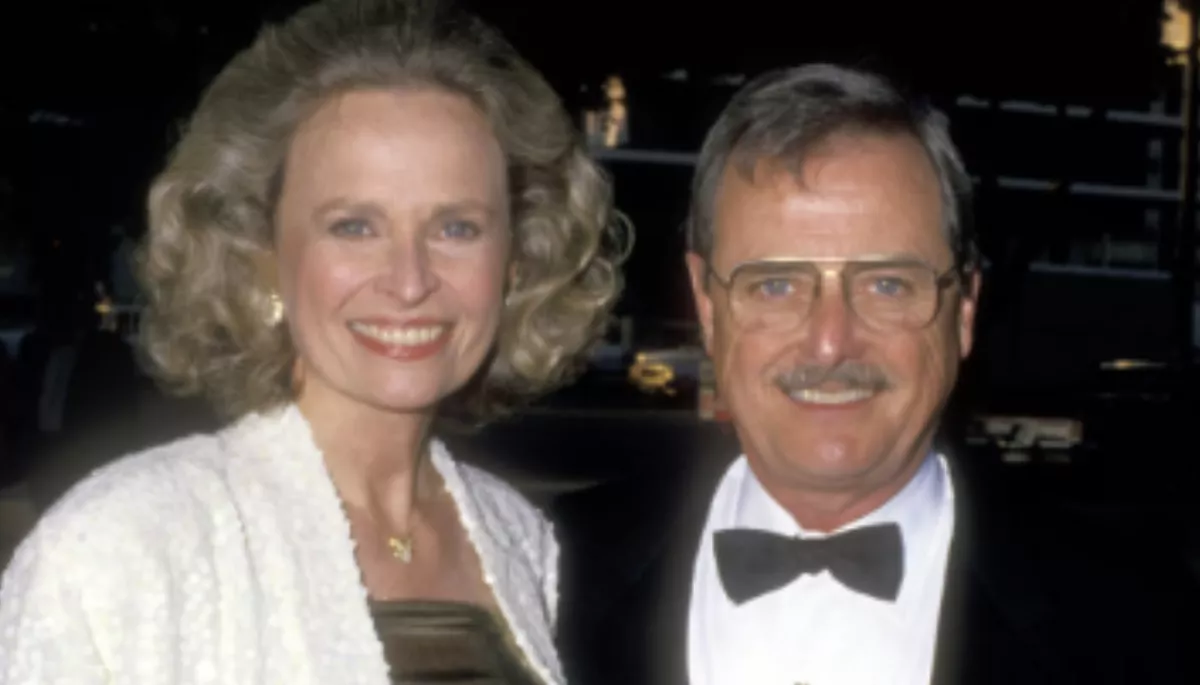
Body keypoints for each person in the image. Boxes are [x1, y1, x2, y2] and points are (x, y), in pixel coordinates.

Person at [0, 0, 624, 682]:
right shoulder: (124, 546)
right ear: (261, 253)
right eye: (354, 226)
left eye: (456, 227)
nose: (410, 280)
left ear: (516, 261)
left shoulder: (517, 537)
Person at [554, 64, 1200, 685]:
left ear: (963, 309)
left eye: (888, 284)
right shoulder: (543, 570)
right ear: (707, 305)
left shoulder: (1142, 622)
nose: (830, 342)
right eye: (776, 284)